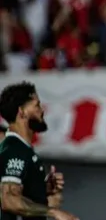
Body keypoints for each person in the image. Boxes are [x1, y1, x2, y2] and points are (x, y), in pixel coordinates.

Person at [0, 82, 79, 220]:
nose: (42, 110)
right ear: (22, 112)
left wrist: (43, 190)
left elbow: (26, 199)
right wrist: (54, 212)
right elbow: (9, 200)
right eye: (37, 105)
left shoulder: (24, 150)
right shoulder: (15, 150)